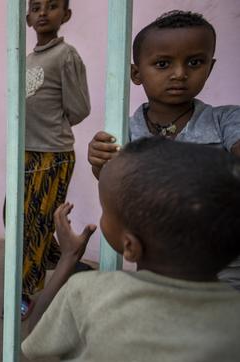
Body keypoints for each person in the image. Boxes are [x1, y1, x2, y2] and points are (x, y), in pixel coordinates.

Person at [22, 137, 240, 361]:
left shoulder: (90, 293)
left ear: (130, 246)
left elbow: (38, 339)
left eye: (106, 211)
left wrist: (68, 257)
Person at [87, 10, 240, 290]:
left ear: (210, 66)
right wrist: (100, 165)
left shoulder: (227, 121)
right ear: (136, 73)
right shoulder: (124, 131)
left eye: (195, 62)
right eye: (163, 64)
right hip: (157, 265)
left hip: (225, 267)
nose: (180, 74)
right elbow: (117, 190)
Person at [16, 0, 91, 316]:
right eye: (36, 7)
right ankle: (62, 259)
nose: (43, 12)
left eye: (53, 6)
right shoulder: (27, 58)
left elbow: (79, 108)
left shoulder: (66, 55)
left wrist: (53, 126)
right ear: (28, 17)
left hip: (53, 154)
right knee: (19, 219)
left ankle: (28, 294)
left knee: (34, 227)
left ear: (66, 15)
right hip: (26, 153)